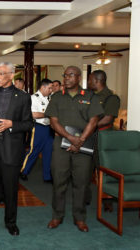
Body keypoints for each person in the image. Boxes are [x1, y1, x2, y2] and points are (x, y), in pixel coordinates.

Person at [45, 66, 103, 233]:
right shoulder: (56, 97)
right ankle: (57, 215)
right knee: (59, 181)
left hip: (83, 146)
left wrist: (81, 141)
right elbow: (53, 122)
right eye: (65, 75)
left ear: (79, 78)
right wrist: (71, 138)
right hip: (61, 144)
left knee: (81, 182)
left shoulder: (90, 96)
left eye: (70, 75)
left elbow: (94, 120)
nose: (66, 78)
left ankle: (80, 218)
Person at [0, 62, 33, 236]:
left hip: (11, 149)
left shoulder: (24, 97)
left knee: (11, 189)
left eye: (1, 74)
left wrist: (11, 125)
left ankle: (11, 222)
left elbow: (28, 123)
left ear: (11, 75)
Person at [86, 70, 120, 206]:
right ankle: (85, 197)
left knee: (103, 169)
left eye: (89, 80)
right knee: (86, 168)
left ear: (96, 80)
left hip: (102, 138)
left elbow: (107, 119)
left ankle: (107, 199)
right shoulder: (89, 96)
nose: (88, 82)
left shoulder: (111, 98)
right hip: (89, 136)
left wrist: (87, 127)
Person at [20, 78, 54, 182]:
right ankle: (23, 171)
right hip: (38, 128)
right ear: (43, 87)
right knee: (33, 151)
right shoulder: (33, 98)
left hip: (49, 128)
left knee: (48, 152)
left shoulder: (49, 98)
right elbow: (33, 114)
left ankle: (47, 176)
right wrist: (48, 115)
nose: (51, 90)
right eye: (49, 88)